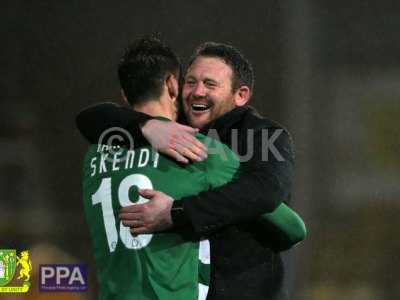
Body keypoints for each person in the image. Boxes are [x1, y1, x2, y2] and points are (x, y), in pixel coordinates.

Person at [77, 41, 302, 300]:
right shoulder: (175, 131)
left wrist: (177, 212)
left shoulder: (263, 137)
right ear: (174, 86)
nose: (196, 92)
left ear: (240, 95)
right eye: (191, 82)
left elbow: (267, 192)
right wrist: (147, 125)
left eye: (210, 84)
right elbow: (89, 118)